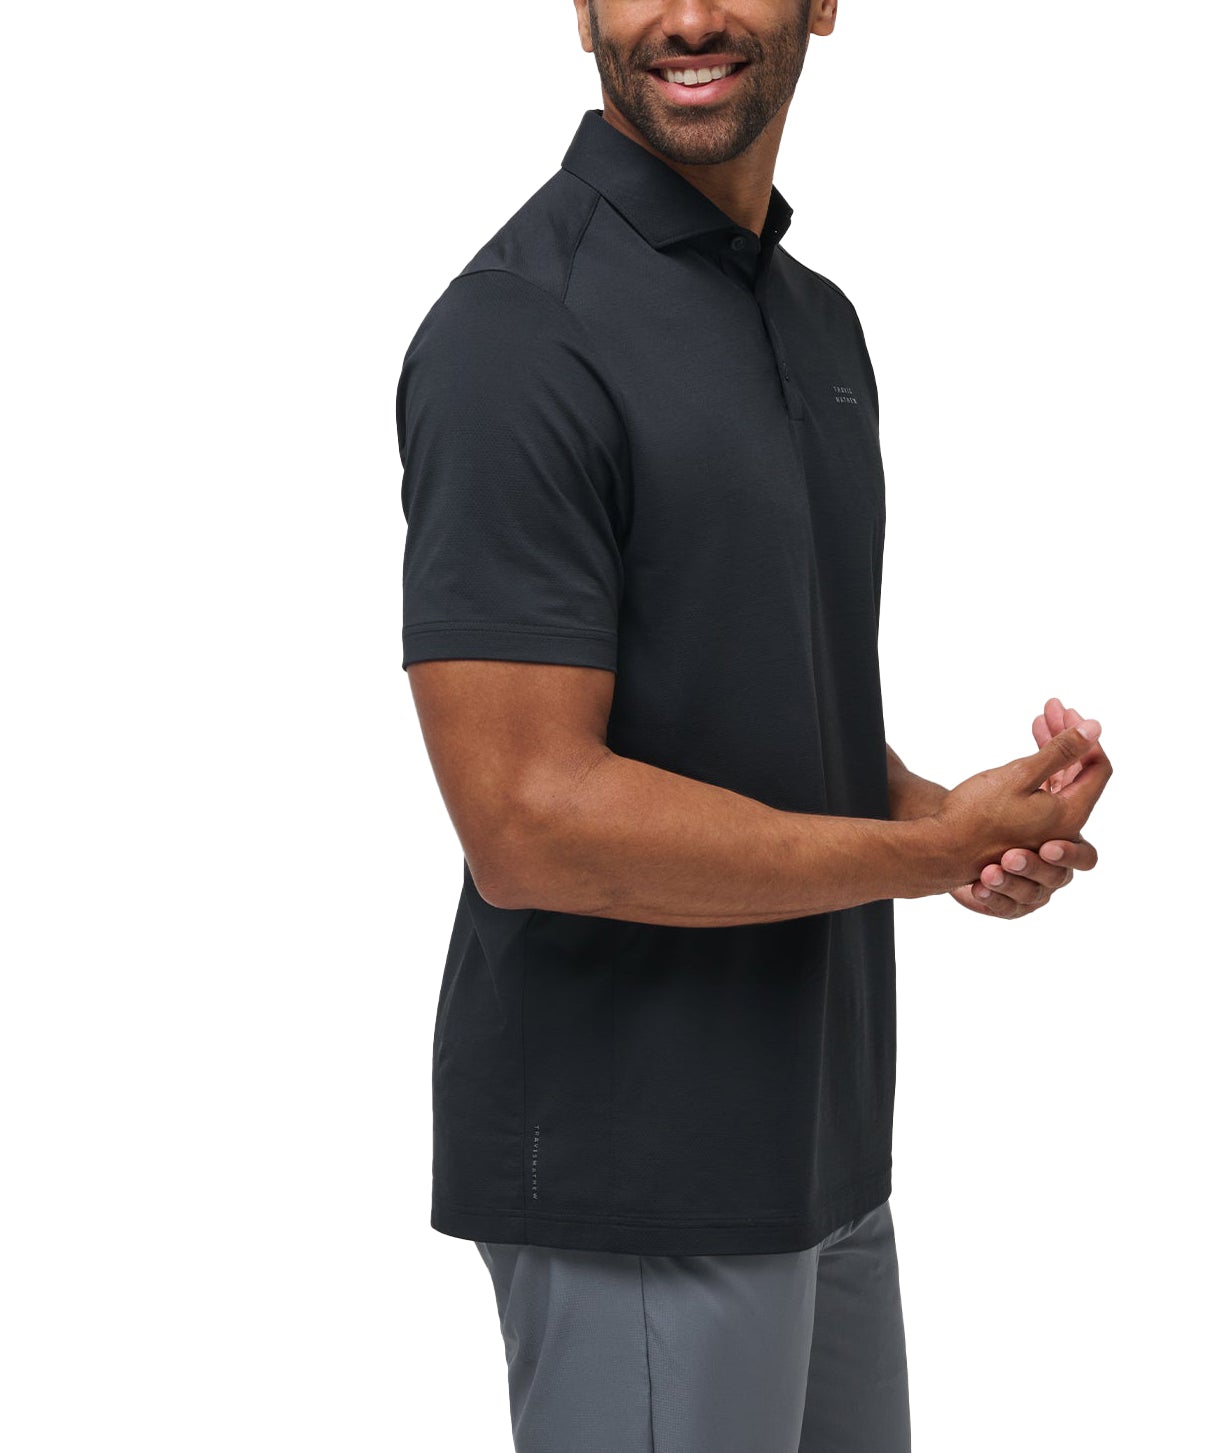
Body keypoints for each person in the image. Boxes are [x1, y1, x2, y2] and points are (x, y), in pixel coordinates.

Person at [395, 2, 1113, 1448]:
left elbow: (762, 713)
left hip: (824, 1143)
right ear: (581, 10)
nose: (689, 15)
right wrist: (921, 857)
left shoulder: (811, 317)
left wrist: (954, 824)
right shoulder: (516, 334)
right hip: (636, 1170)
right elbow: (528, 822)